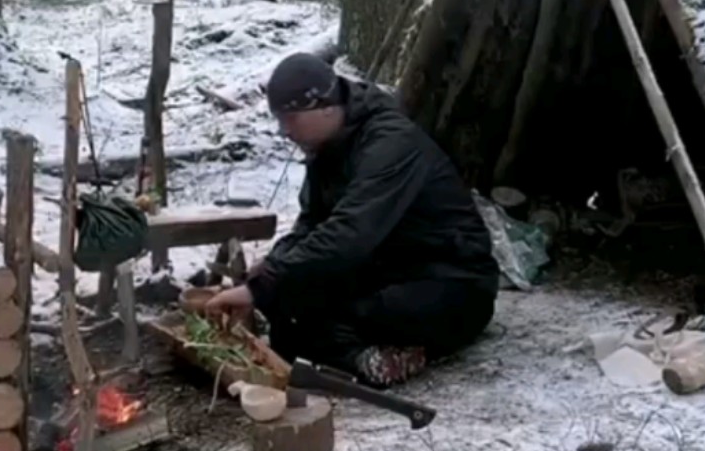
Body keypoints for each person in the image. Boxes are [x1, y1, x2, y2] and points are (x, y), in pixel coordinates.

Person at [204, 52, 499, 387]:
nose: (284, 131)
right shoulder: (328, 146)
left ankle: (372, 358)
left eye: (290, 118)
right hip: (387, 271)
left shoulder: (391, 143)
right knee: (286, 322)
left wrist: (264, 286)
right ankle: (369, 352)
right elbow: (312, 223)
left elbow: (349, 233)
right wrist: (272, 268)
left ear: (325, 105)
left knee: (322, 317)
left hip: (452, 284)